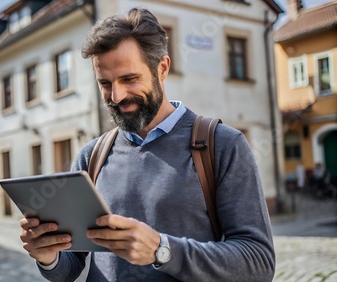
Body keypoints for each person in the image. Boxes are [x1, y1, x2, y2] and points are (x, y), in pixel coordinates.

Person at [19, 8, 275, 281]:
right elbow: (70, 267)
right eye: (105, 83)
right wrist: (49, 257)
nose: (116, 96)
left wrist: (162, 250)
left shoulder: (222, 145)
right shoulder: (91, 157)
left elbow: (258, 263)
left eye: (129, 79)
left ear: (162, 68)